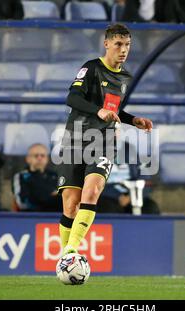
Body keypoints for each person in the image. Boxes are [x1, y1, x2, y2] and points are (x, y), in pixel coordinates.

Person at [57, 23, 153, 256]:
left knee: (92, 191)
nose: (123, 49)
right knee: (71, 204)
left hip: (104, 139)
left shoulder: (125, 78)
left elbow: (113, 110)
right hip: (76, 137)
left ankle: (72, 250)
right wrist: (97, 111)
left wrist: (133, 120)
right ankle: (65, 257)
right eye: (118, 44)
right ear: (107, 43)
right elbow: (72, 98)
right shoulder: (91, 68)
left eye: (127, 45)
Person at [97, 141, 160, 214]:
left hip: (132, 193)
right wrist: (117, 196)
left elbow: (145, 180)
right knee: (109, 209)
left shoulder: (129, 149)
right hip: (108, 195)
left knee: (151, 208)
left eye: (116, 130)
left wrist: (131, 196)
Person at [12, 143, 62, 212]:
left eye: (42, 155)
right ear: (28, 159)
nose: (39, 158)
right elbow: (22, 203)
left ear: (47, 159)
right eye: (36, 156)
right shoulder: (21, 176)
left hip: (54, 217)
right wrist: (48, 197)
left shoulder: (55, 176)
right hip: (31, 217)